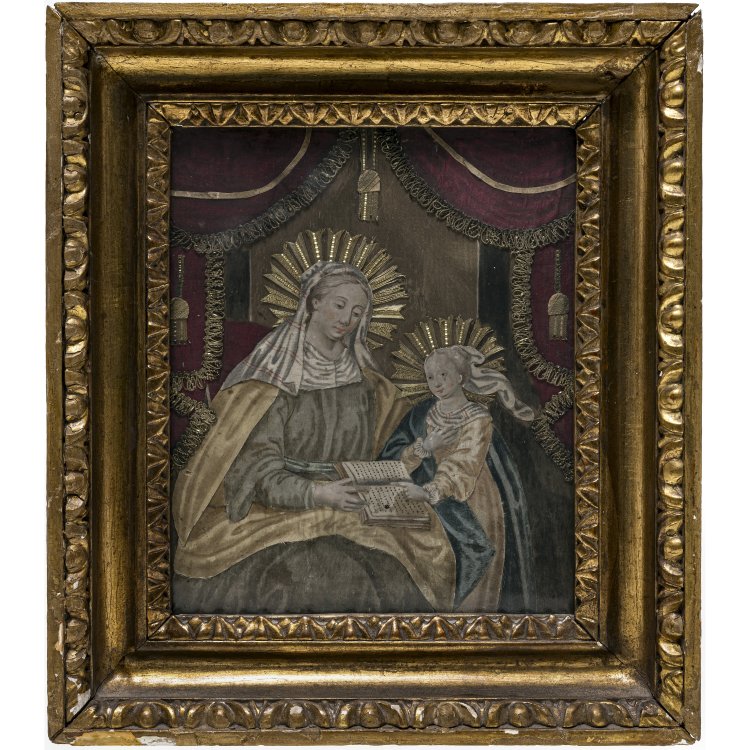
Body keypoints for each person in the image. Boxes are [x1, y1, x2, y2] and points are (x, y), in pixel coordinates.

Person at [171, 261, 457, 614]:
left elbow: (392, 454)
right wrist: (318, 493)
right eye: (340, 305)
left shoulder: (371, 387)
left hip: (357, 507)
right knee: (318, 572)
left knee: (402, 569)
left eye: (357, 313)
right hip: (279, 512)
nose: (347, 319)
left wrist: (424, 448)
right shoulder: (273, 383)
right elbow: (257, 472)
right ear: (313, 301)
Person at [380, 345, 538, 612]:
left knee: (471, 563)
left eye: (443, 374)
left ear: (461, 376)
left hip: (468, 497)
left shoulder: (478, 418)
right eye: (431, 377)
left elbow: (464, 463)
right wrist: (424, 447)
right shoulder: (423, 413)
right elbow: (393, 459)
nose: (437, 383)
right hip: (424, 494)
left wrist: (429, 492)